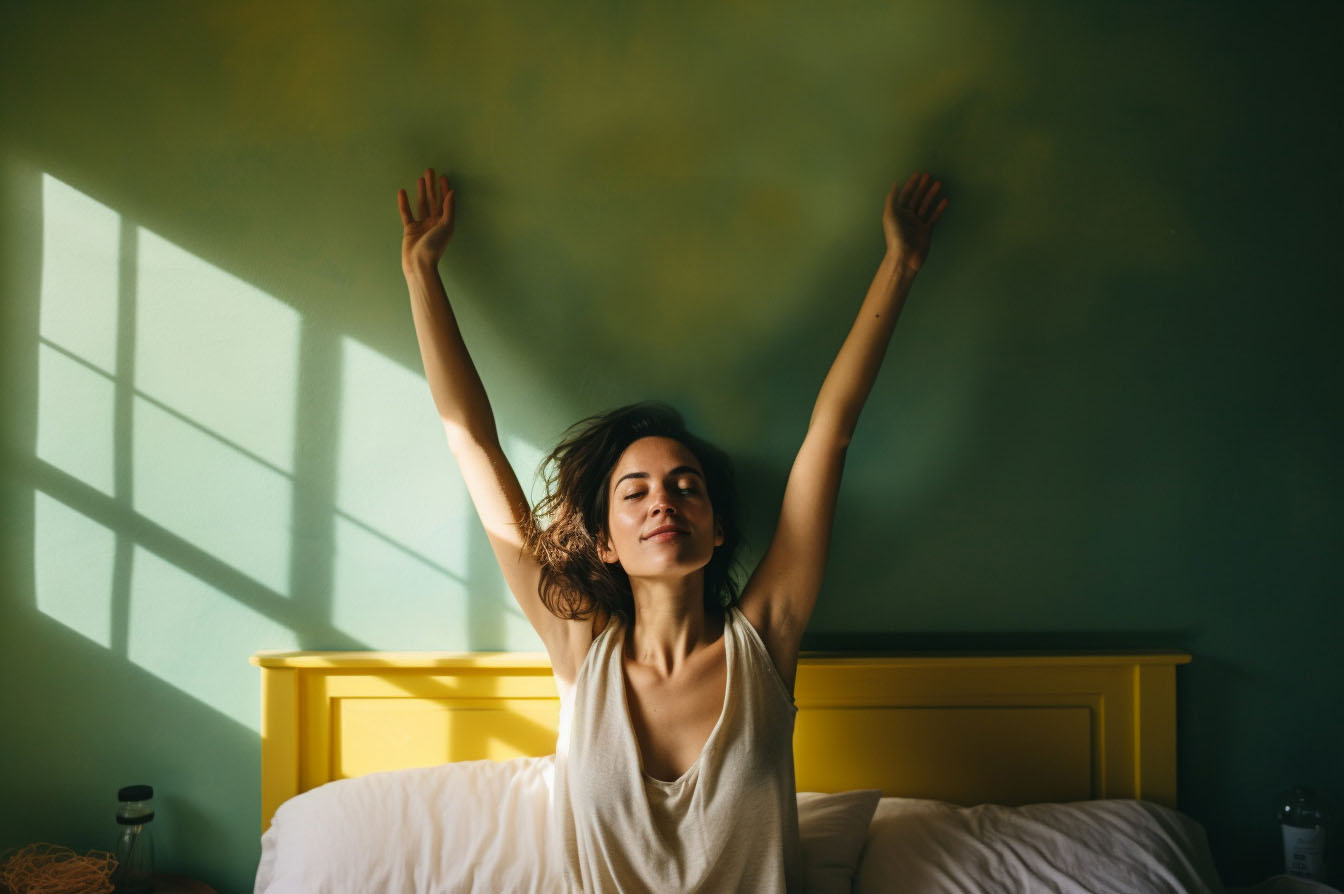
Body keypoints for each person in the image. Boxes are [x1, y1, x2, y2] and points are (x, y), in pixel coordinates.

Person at [397, 168, 948, 892]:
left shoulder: (766, 638)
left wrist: (899, 266)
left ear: (716, 530)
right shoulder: (578, 644)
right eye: (636, 492)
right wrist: (420, 271)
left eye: (686, 488)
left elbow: (831, 434)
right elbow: (472, 442)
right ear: (604, 541)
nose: (663, 502)